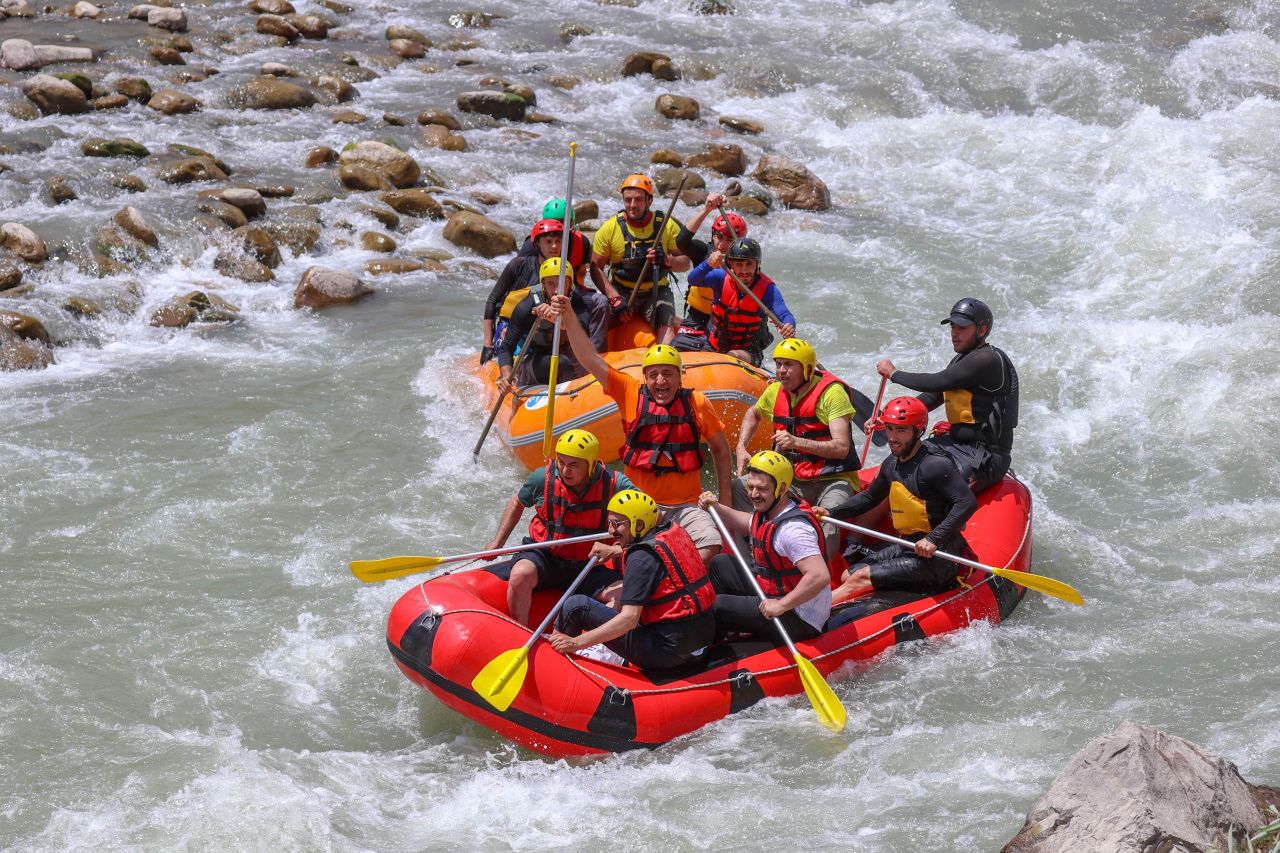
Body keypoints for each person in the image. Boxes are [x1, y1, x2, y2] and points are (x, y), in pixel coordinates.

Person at [552, 291, 734, 564]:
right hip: (636, 505)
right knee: (633, 556)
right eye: (653, 375)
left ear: (680, 376)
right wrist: (567, 315)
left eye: (668, 373)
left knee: (711, 544)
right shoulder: (630, 393)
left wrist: (726, 504)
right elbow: (590, 359)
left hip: (686, 506)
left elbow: (721, 450)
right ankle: (646, 563)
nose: (660, 381)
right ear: (645, 377)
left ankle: (670, 578)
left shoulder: (696, 402)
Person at [734, 338, 875, 558]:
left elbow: (841, 447)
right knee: (739, 488)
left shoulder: (832, 393)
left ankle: (820, 576)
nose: (781, 371)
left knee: (827, 520)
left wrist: (797, 442)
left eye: (789, 365)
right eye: (779, 364)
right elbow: (753, 413)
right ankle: (756, 557)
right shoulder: (775, 391)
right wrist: (741, 447)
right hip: (792, 478)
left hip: (833, 479)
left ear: (807, 368)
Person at [827, 396, 978, 603]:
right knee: (848, 575)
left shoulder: (934, 465)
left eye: (901, 430)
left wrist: (933, 539)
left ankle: (805, 618)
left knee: (860, 577)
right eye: (889, 428)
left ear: (918, 431)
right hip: (908, 545)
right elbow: (870, 497)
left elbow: (967, 502)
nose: (892, 437)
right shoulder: (891, 463)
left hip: (939, 557)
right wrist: (831, 513)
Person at [549, 489, 717, 671]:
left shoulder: (640, 559)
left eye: (616, 524)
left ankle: (556, 662)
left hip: (668, 654)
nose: (611, 530)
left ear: (638, 525)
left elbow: (629, 619)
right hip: (701, 643)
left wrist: (576, 642)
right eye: (609, 523)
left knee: (576, 605)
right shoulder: (672, 533)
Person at [484, 429, 630, 626]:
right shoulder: (541, 478)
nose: (565, 470)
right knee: (520, 575)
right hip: (545, 556)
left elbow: (644, 517)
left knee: (623, 594)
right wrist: (498, 542)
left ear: (591, 465)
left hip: (589, 564)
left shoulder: (615, 484)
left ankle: (595, 645)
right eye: (561, 462)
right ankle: (520, 632)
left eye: (573, 465)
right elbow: (517, 502)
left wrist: (616, 548)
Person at [874, 297, 1019, 493]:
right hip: (956, 444)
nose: (955, 334)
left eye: (962, 328)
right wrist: (889, 420)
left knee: (928, 482)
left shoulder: (987, 359)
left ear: (982, 330)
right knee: (893, 467)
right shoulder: (961, 359)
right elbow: (933, 396)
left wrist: (894, 374)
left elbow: (939, 381)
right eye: (953, 327)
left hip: (986, 456)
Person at [698, 451, 831, 641]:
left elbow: (820, 576)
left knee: (717, 605)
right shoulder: (772, 509)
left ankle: (703, 646)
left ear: (782, 488)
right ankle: (721, 632)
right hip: (776, 593)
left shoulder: (793, 530)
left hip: (801, 616)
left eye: (761, 489)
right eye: (750, 487)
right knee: (720, 564)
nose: (753, 494)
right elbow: (748, 523)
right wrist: (716, 507)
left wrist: (780, 606)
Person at [480, 206, 605, 363]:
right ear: (537, 244)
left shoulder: (564, 269)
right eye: (548, 242)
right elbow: (492, 299)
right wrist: (487, 345)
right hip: (514, 327)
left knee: (599, 302)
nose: (554, 246)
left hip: (548, 328)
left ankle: (595, 355)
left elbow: (574, 301)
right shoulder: (520, 265)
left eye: (558, 241)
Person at [591, 173, 691, 344]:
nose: (632, 205)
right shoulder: (610, 229)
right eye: (628, 200)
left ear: (649, 201)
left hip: (656, 292)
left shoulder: (666, 225)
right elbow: (595, 268)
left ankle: (664, 364)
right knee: (594, 322)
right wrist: (614, 298)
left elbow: (685, 263)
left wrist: (667, 261)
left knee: (665, 327)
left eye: (638, 200)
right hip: (622, 293)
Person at [673, 237, 796, 366]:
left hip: (748, 352)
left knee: (732, 355)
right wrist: (708, 264)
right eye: (739, 264)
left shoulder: (768, 289)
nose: (744, 270)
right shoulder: (720, 277)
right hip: (714, 345)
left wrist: (789, 325)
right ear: (731, 264)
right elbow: (693, 279)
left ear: (757, 265)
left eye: (749, 264)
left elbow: (785, 315)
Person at [495, 257, 608, 392]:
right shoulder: (527, 306)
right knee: (562, 364)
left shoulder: (580, 302)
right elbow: (506, 347)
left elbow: (582, 334)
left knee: (572, 361)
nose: (556, 291)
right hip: (536, 358)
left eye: (561, 284)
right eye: (550, 284)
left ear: (570, 283)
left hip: (567, 353)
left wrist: (556, 320)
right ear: (543, 285)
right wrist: (506, 376)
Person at [670, 192, 745, 333]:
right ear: (713, 235)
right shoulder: (703, 251)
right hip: (697, 318)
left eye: (729, 240)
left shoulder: (744, 262)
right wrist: (707, 209)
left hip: (726, 322)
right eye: (719, 237)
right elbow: (681, 241)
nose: (722, 244)